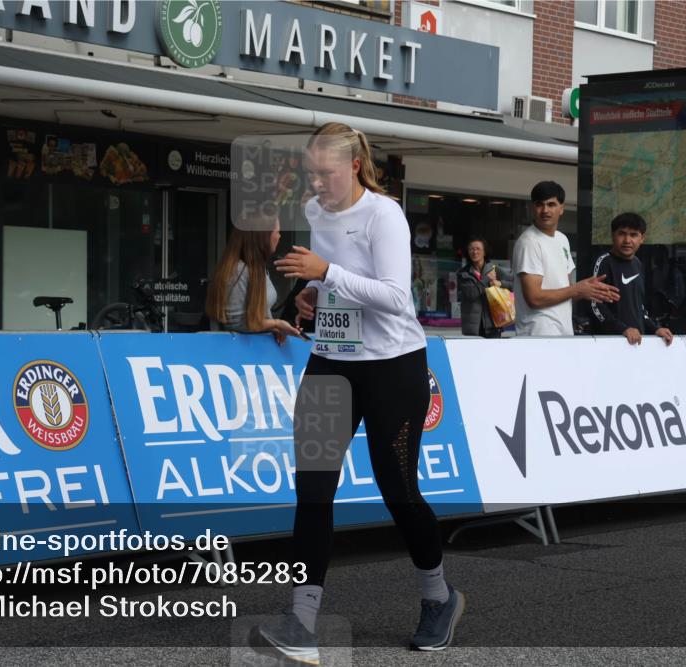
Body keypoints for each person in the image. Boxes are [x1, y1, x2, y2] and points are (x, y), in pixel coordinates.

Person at [250, 122, 463, 664]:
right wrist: (313, 297)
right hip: (332, 362)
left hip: (393, 367)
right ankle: (301, 620)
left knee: (399, 492)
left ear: (353, 166)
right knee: (314, 488)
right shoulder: (316, 212)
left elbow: (396, 299)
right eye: (310, 171)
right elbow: (334, 288)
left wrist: (328, 273)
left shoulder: (383, 214)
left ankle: (440, 597)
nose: (316, 182)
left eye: (325, 172)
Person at [512, 181, 620, 336]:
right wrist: (577, 289)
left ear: (561, 208)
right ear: (532, 207)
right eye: (539, 204)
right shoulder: (529, 242)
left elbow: (566, 290)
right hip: (538, 333)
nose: (545, 210)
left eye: (551, 204)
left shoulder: (562, 239)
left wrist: (588, 290)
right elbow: (534, 298)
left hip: (563, 331)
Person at [205, 208, 301, 344]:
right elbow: (235, 323)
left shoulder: (257, 269)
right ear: (263, 236)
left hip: (257, 351)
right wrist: (276, 324)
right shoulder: (238, 270)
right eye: (277, 232)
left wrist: (276, 328)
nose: (279, 236)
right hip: (238, 354)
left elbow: (256, 318)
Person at [590, 212, 674, 346]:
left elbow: (639, 307)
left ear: (642, 238)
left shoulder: (637, 264)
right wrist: (622, 329)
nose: (627, 240)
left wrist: (655, 328)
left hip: (636, 344)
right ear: (613, 235)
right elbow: (595, 305)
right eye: (622, 233)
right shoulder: (603, 262)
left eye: (633, 235)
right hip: (609, 345)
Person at [457, 237, 514, 338]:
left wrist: (501, 283)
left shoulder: (495, 269)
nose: (474, 252)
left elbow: (514, 284)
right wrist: (486, 279)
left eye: (478, 249)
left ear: (484, 252)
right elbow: (471, 294)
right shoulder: (463, 273)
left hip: (494, 323)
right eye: (471, 249)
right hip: (473, 327)